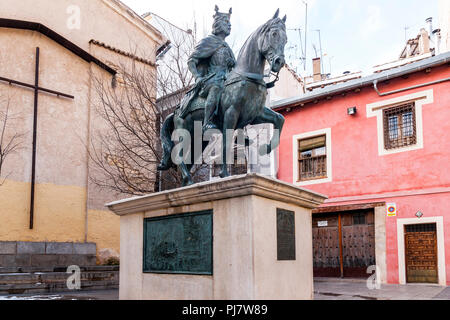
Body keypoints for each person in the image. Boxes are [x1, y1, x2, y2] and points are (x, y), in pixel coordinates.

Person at [181, 5, 236, 132]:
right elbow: (191, 61)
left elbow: (235, 68)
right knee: (216, 88)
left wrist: (232, 63)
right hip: (211, 80)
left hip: (226, 79)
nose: (229, 25)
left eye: (230, 23)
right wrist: (197, 77)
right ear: (217, 24)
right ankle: (207, 122)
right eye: (226, 22)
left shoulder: (227, 47)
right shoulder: (208, 41)